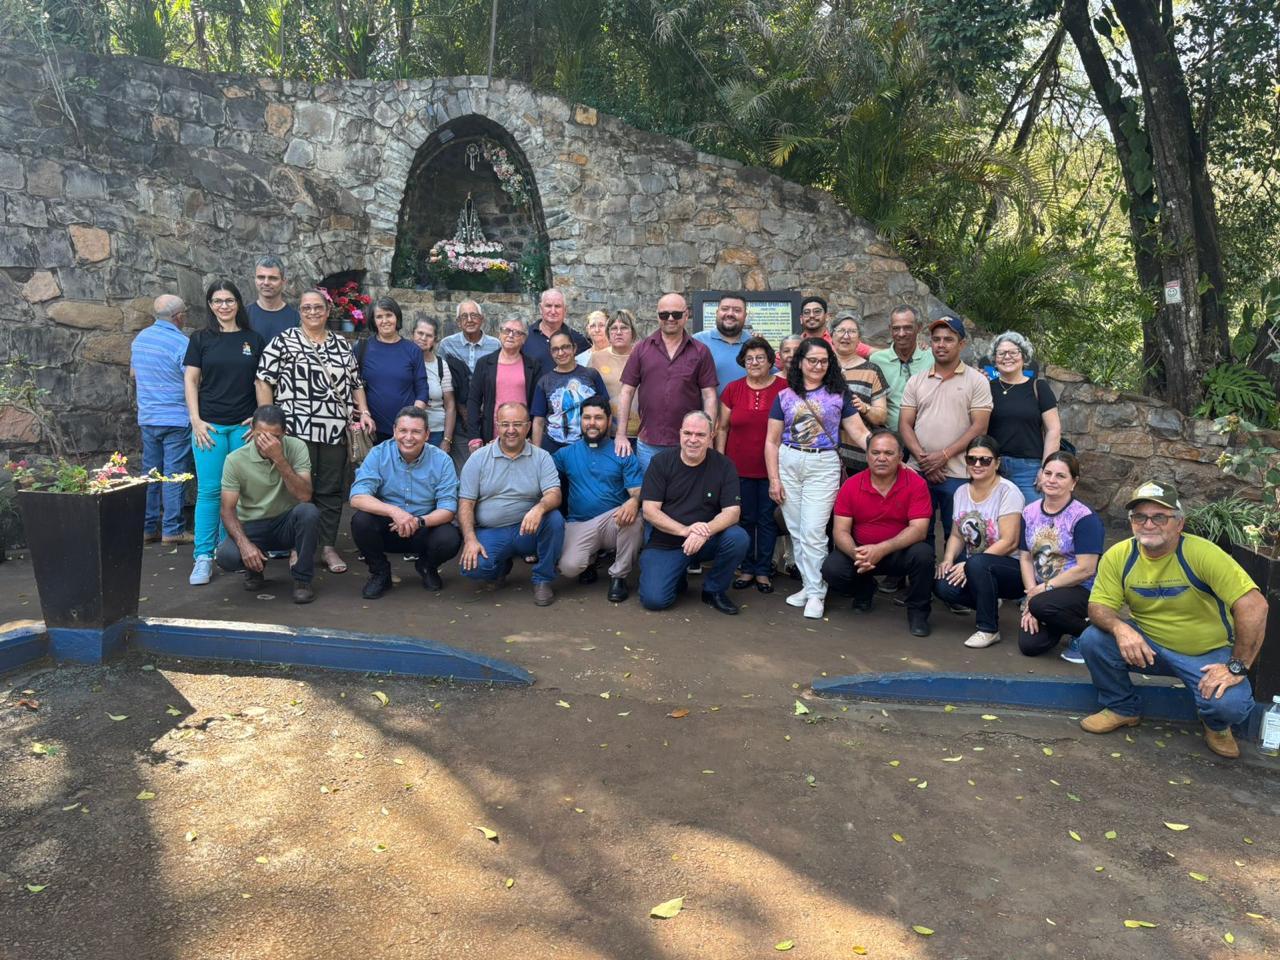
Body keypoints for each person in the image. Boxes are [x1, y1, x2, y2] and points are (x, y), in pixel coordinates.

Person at [1078, 480, 1268, 759]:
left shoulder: (1201, 553)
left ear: (1179, 524)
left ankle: (1215, 725)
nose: (1149, 524)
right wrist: (1121, 628)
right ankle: (1122, 708)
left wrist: (1236, 666)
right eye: (1140, 516)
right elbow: (1097, 606)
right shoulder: (1119, 555)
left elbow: (1255, 606)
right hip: (1149, 648)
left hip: (1206, 654)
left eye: (1160, 517)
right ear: (1132, 522)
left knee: (1230, 707)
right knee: (1093, 640)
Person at [255, 289, 375, 575]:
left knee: (331, 490)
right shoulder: (283, 342)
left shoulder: (341, 345)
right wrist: (267, 422)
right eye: (306, 308)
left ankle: (327, 545)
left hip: (334, 429)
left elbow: (356, 382)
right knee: (297, 488)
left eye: (317, 307)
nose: (312, 312)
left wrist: (364, 411)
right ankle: (299, 545)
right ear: (300, 312)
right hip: (296, 430)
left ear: (327, 310)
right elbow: (263, 381)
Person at [765, 337, 867, 620]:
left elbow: (858, 432)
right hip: (789, 461)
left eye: (824, 361)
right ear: (800, 362)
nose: (818, 366)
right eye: (812, 360)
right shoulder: (785, 395)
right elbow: (772, 441)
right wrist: (774, 479)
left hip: (822, 464)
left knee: (813, 531)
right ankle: (809, 586)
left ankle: (817, 593)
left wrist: (883, 451)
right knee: (796, 530)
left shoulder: (838, 394)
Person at [183, 280, 266, 586]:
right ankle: (203, 556)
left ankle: (225, 550)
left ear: (238, 304)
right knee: (210, 491)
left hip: (243, 429)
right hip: (210, 428)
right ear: (210, 305)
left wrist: (258, 418)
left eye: (229, 300)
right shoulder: (201, 339)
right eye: (217, 301)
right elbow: (191, 380)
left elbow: (262, 383)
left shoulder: (253, 339)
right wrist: (195, 419)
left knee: (238, 495)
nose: (224, 306)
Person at [821, 429, 934, 636]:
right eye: (875, 453)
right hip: (862, 553)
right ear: (867, 455)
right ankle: (864, 589)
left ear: (900, 457)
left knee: (924, 555)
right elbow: (840, 531)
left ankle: (918, 612)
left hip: (899, 552)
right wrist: (857, 554)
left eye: (889, 453)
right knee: (832, 569)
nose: (881, 458)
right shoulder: (851, 485)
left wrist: (881, 549)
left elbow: (919, 530)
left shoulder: (916, 483)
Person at [638, 411, 748, 615]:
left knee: (737, 537)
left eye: (700, 435)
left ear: (711, 436)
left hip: (707, 540)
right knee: (654, 600)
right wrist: (685, 530)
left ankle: (714, 591)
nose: (693, 440)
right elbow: (649, 511)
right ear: (679, 433)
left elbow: (732, 512)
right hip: (667, 542)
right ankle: (677, 577)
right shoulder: (661, 463)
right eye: (687, 433)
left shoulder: (724, 465)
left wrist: (703, 531)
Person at [349, 406, 463, 599]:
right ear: (394, 431)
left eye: (416, 431)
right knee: (361, 521)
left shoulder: (442, 460)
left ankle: (427, 566)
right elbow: (357, 497)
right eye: (403, 430)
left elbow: (448, 509)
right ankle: (380, 573)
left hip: (423, 527)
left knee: (450, 538)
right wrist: (395, 512)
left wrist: (417, 521)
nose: (408, 437)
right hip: (389, 527)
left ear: (427, 434)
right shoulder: (379, 454)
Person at [457, 402, 564, 606]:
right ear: (497, 425)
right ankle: (499, 568)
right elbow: (466, 503)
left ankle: (542, 579)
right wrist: (470, 539)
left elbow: (554, 494)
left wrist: (539, 508)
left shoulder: (541, 457)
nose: (511, 430)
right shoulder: (478, 458)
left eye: (517, 424)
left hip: (527, 530)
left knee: (554, 519)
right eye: (505, 424)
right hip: (492, 531)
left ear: (528, 426)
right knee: (473, 568)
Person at [899, 315, 993, 545]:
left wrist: (943, 456)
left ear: (961, 344)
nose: (941, 345)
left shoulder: (977, 381)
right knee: (918, 533)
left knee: (958, 534)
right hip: (918, 472)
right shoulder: (916, 381)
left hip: (958, 473)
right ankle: (920, 581)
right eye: (936, 339)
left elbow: (980, 426)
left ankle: (952, 580)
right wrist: (924, 461)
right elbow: (904, 424)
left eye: (948, 339)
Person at [215, 404, 319, 604]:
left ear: (284, 434)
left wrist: (279, 459)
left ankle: (302, 580)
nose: (266, 442)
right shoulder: (235, 460)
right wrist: (245, 545)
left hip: (286, 521)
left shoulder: (296, 447)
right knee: (226, 556)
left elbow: (305, 495)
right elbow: (227, 510)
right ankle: (254, 570)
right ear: (251, 431)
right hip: (253, 524)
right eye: (261, 435)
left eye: (274, 437)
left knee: (309, 512)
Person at [932, 437, 1027, 648]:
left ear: (997, 463)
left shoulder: (1008, 492)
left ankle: (988, 629)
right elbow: (957, 534)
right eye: (971, 459)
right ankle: (989, 599)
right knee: (942, 586)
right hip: (977, 566)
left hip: (1012, 569)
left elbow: (1010, 541)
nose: (977, 465)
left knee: (977, 564)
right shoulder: (961, 492)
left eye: (985, 460)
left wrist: (969, 564)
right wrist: (947, 559)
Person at [613, 293, 718, 477]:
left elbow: (709, 396)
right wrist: (620, 435)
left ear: (686, 316)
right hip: (648, 444)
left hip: (688, 443)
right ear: (657, 316)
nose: (670, 318)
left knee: (686, 498)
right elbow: (627, 392)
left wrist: (707, 437)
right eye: (664, 314)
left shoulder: (701, 352)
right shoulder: (641, 349)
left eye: (676, 314)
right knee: (651, 498)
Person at [553, 397, 644, 602]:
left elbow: (637, 490)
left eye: (598, 418)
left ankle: (619, 576)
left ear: (609, 420)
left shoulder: (622, 451)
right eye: (587, 417)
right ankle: (590, 560)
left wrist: (633, 501)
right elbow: (539, 469)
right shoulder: (566, 454)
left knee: (635, 518)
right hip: (579, 522)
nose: (592, 423)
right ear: (580, 420)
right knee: (569, 568)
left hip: (614, 522)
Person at [715, 336, 787, 593]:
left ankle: (763, 570)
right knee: (744, 519)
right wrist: (721, 461)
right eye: (749, 359)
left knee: (767, 520)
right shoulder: (733, 389)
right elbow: (722, 428)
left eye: (760, 358)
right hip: (737, 468)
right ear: (743, 362)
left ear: (770, 362)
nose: (754, 362)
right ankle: (746, 568)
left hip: (772, 469)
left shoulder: (784, 388)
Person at [1018, 452, 1105, 663]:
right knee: (1030, 646)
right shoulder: (1029, 512)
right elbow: (1025, 557)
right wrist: (1032, 594)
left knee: (1042, 606)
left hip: (1080, 589)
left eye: (1060, 476)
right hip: (1043, 593)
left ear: (1073, 482)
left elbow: (1086, 569)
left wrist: (1041, 593)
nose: (1051, 480)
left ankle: (1090, 632)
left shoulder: (1084, 518)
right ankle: (1060, 619)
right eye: (1047, 473)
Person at [131, 294, 193, 545]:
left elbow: (134, 374)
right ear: (178, 317)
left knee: (151, 473)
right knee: (174, 474)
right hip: (176, 418)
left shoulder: (139, 339)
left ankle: (148, 528)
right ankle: (172, 529)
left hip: (148, 417)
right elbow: (192, 380)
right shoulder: (182, 343)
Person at [988, 330, 1061, 503]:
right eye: (1001, 353)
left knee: (1032, 521)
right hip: (992, 467)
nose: (1007, 357)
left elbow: (1054, 430)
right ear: (995, 359)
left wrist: (1046, 469)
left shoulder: (1039, 387)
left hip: (1029, 470)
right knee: (994, 524)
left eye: (1013, 352)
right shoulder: (985, 387)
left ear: (1023, 356)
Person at [357, 297, 428, 443]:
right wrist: (363, 413)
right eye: (379, 317)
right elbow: (354, 384)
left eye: (389, 315)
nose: (385, 321)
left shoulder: (413, 350)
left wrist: (411, 421)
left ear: (397, 317)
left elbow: (422, 390)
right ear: (373, 321)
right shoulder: (362, 348)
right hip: (372, 429)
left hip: (406, 433)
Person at [467, 318, 543, 450]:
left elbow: (537, 406)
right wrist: (474, 436)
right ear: (499, 334)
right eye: (507, 330)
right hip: (492, 437)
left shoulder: (533, 366)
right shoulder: (484, 364)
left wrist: (533, 437)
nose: (510, 335)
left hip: (524, 437)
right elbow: (473, 401)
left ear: (524, 339)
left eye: (517, 332)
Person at [438, 300, 496, 469]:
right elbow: (443, 380)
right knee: (463, 465)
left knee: (488, 463)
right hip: (457, 414)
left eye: (474, 315)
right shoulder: (447, 345)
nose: (469, 320)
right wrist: (460, 409)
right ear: (458, 322)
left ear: (482, 319)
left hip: (487, 412)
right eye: (464, 316)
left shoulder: (495, 345)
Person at [530, 330, 609, 453]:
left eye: (565, 347)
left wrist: (605, 443)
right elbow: (538, 421)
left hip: (589, 447)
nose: (561, 353)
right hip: (555, 447)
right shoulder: (544, 382)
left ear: (574, 348)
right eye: (555, 349)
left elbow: (606, 411)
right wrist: (536, 453)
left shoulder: (591, 375)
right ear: (551, 352)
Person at [831, 310, 889, 476]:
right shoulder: (821, 367)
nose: (846, 336)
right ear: (832, 336)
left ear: (859, 338)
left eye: (852, 332)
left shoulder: (871, 370)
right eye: (841, 331)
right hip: (825, 457)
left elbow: (882, 416)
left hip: (859, 457)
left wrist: (865, 408)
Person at [869, 305, 931, 432]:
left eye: (908, 328)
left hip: (927, 435)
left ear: (918, 328)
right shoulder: (877, 361)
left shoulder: (932, 358)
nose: (901, 334)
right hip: (891, 438)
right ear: (890, 329)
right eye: (896, 328)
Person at [590, 309, 640, 439]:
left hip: (640, 433)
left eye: (624, 328)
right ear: (608, 332)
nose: (618, 332)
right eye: (613, 328)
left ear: (633, 332)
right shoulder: (596, 358)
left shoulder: (642, 356)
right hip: (606, 433)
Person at [411, 318, 458, 451]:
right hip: (408, 431)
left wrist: (446, 440)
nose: (423, 338)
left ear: (435, 340)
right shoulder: (402, 360)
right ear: (412, 334)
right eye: (420, 333)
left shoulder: (440, 365)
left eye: (429, 335)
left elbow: (450, 406)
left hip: (435, 432)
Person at [694, 293, 750, 389]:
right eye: (725, 309)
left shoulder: (755, 343)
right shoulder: (697, 341)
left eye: (737, 310)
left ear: (745, 315)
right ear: (717, 312)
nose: (730, 314)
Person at [524, 288, 589, 371]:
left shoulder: (577, 339)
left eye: (557, 306)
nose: (553, 311)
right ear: (540, 308)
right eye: (548, 306)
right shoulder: (525, 336)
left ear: (565, 310)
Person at [246, 255, 300, 342]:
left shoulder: (296, 319)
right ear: (255, 280)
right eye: (261, 277)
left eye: (272, 278)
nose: (266, 283)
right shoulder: (243, 316)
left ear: (283, 282)